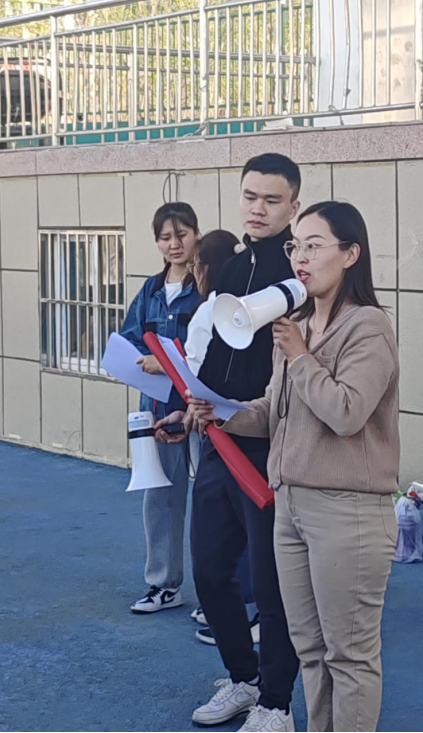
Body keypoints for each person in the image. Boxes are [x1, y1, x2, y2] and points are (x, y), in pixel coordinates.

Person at [171, 201, 400, 733]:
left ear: (351, 254)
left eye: (314, 246)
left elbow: (346, 412)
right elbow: (275, 411)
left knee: (349, 654)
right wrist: (223, 414)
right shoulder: (295, 325)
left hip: (347, 510)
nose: (300, 257)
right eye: (296, 246)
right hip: (292, 504)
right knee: (311, 648)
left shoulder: (368, 327)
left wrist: (300, 356)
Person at [159, 153, 301, 733]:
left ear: (293, 204)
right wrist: (189, 407)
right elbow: (216, 354)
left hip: (270, 445)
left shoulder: (301, 270)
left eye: (271, 199)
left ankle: (277, 703)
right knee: (212, 571)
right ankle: (244, 679)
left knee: (272, 584)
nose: (258, 208)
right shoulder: (231, 266)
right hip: (219, 441)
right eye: (249, 196)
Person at [119, 202, 202, 614]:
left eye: (182, 234)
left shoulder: (206, 287)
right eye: (165, 237)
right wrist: (141, 361)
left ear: (196, 234)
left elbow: (213, 344)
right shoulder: (151, 290)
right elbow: (129, 340)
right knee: (160, 497)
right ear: (156, 242)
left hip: (202, 409)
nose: (174, 244)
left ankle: (221, 594)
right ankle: (164, 586)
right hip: (156, 409)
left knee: (212, 501)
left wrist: (167, 360)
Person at [182, 230, 262, 647]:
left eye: (196, 265)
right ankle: (244, 618)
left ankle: (242, 612)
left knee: (232, 534)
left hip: (227, 429)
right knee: (239, 535)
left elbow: (195, 371)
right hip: (230, 423)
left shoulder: (212, 309)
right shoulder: (237, 304)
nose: (192, 272)